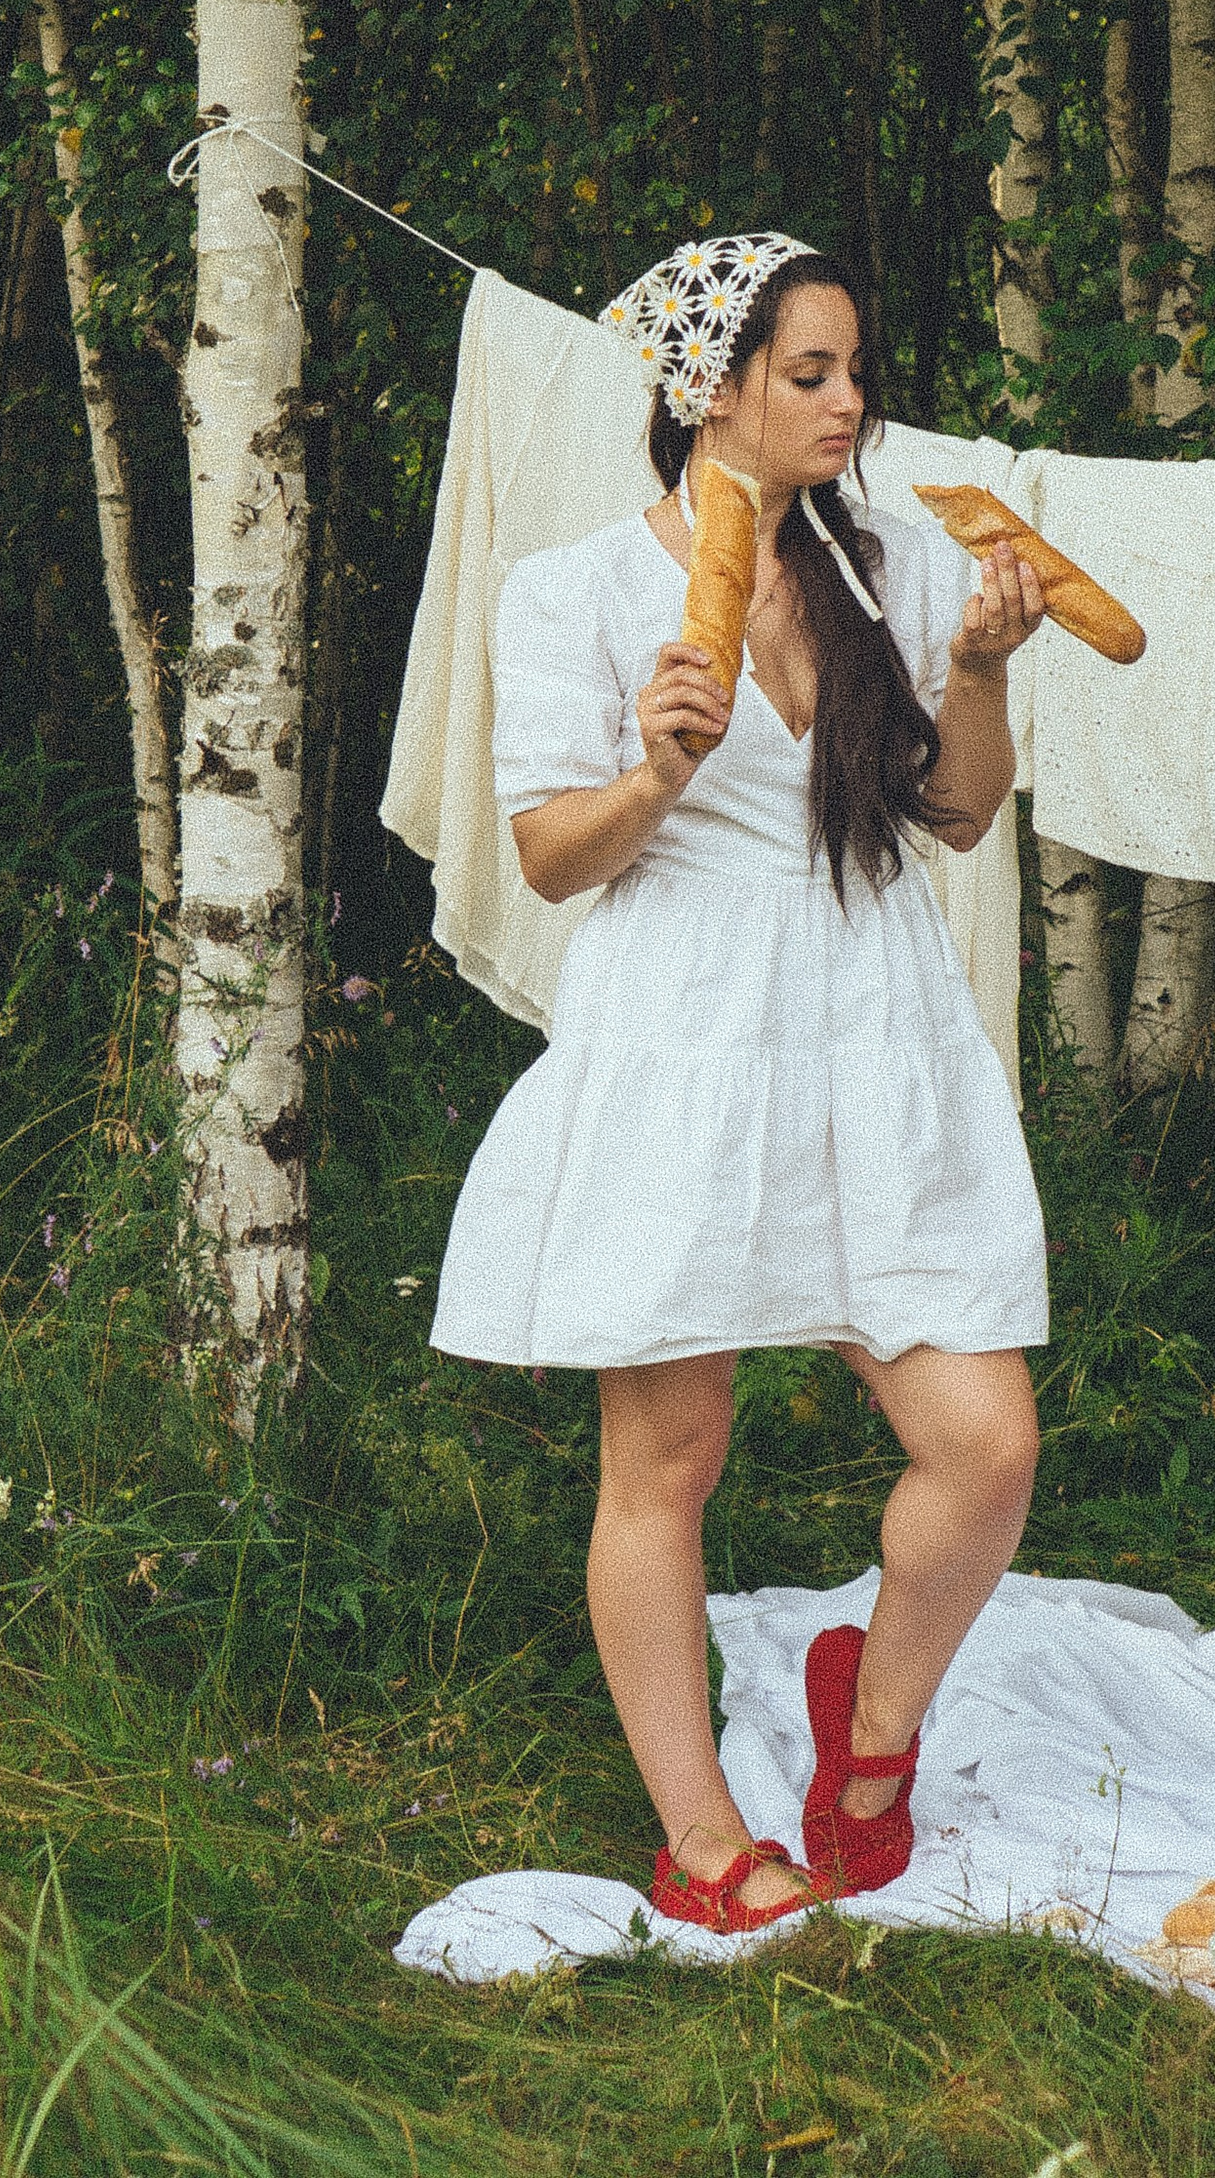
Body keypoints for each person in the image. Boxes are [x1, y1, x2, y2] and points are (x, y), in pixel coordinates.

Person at [430, 235, 1049, 1930]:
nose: (853, 405)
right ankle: (703, 1839)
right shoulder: (575, 591)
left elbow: (962, 813)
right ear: (710, 391)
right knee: (670, 1455)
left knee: (984, 1441)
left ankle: (874, 1738)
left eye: (857, 371)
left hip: (877, 1025)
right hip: (685, 1034)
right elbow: (553, 860)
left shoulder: (892, 575)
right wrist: (655, 769)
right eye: (813, 375)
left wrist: (982, 667)